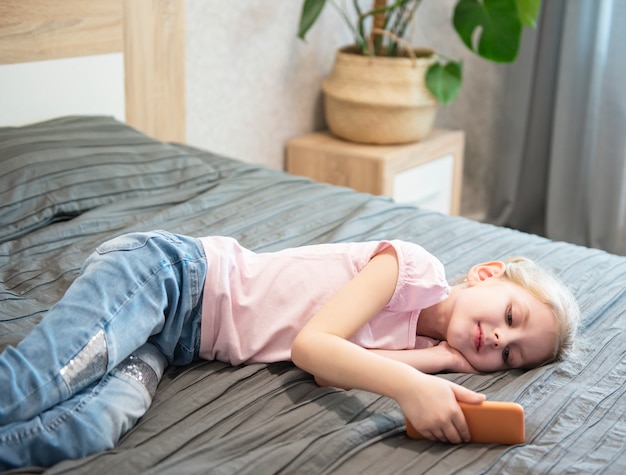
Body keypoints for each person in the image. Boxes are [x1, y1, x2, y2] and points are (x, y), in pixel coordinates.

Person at [0, 230, 580, 469]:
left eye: (509, 355)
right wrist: (411, 386)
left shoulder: (419, 342)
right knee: (44, 381)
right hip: (172, 278)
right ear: (485, 274)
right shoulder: (412, 267)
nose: (500, 340)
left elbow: (336, 374)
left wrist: (445, 361)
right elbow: (313, 348)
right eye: (511, 316)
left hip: (172, 343)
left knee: (92, 426)